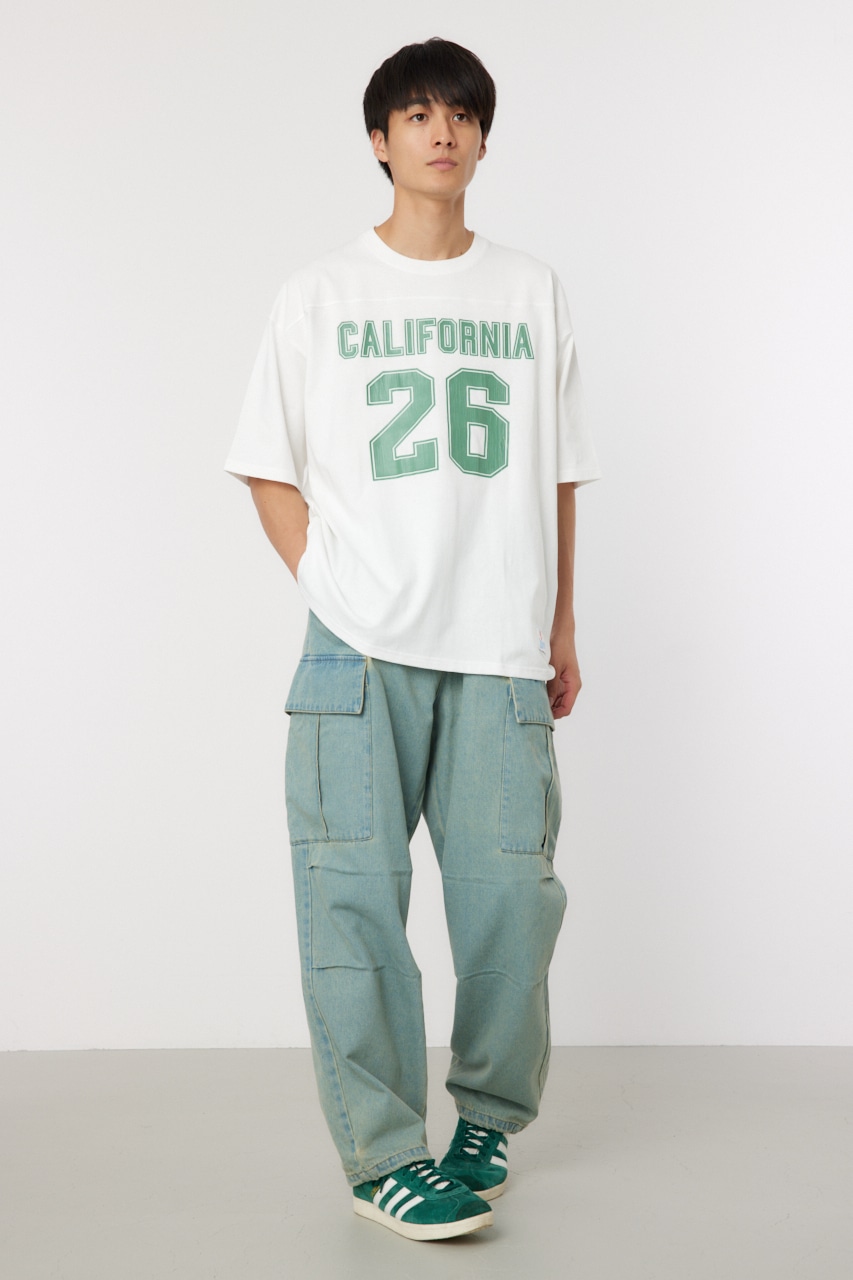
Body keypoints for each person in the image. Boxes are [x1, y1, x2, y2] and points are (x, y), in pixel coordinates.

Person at [224, 36, 601, 1242]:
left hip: (499, 644)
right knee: (352, 905)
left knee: (511, 906)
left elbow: (556, 471)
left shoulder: (530, 289)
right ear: (379, 141)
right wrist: (327, 578)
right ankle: (383, 1153)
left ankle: (485, 1119)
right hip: (357, 651)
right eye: (418, 114)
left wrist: (560, 619)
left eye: (463, 115)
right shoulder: (318, 295)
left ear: (483, 139)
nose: (443, 131)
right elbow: (266, 461)